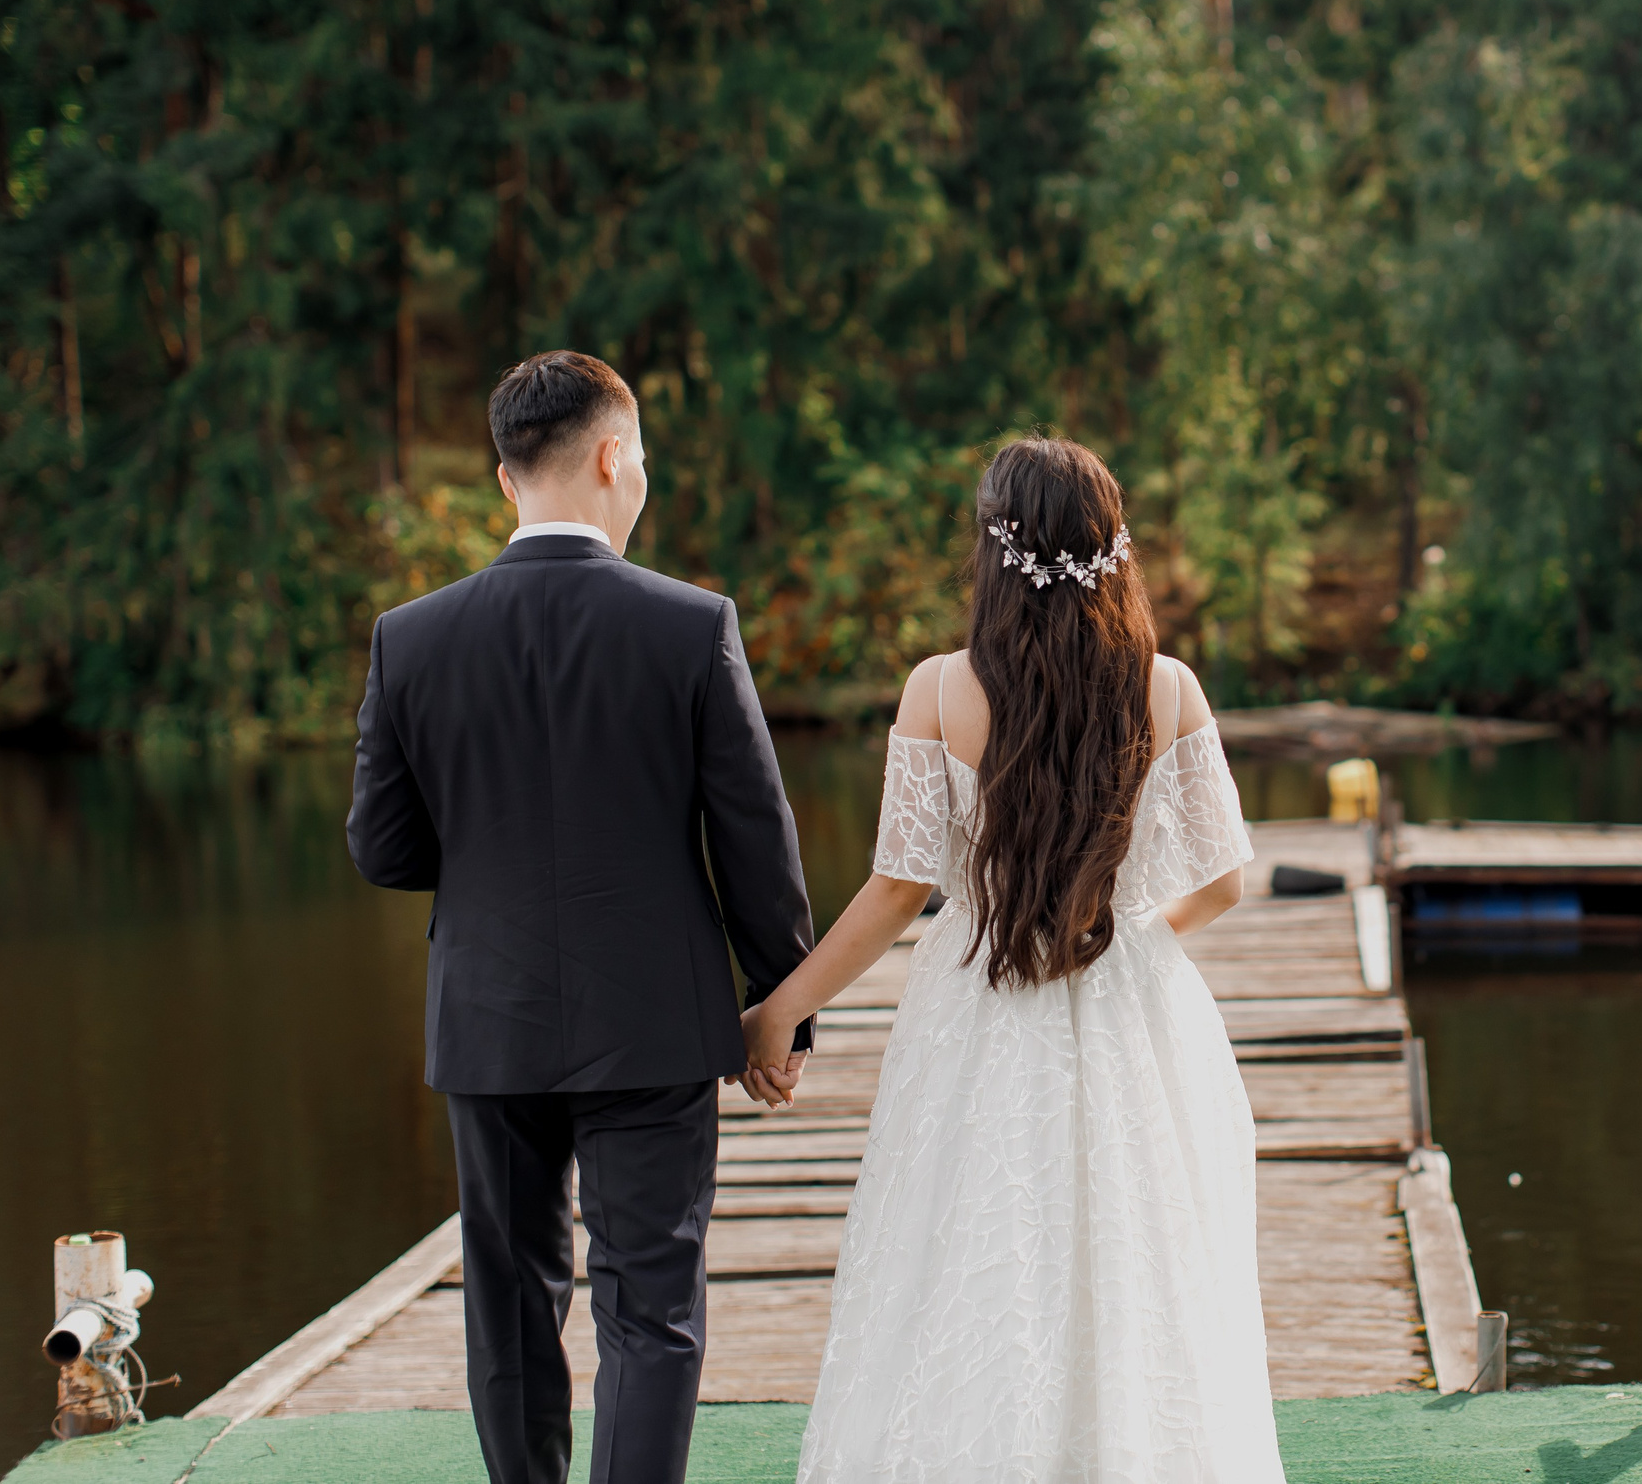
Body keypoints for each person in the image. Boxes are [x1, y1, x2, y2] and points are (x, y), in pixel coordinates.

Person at [743, 436, 1287, 1484]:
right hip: (1134, 1009)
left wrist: (778, 1009)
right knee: (1139, 1257)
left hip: (979, 1006)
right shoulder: (1168, 687)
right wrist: (1127, 943)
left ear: (995, 551)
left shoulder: (939, 689)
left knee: (971, 1252)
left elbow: (895, 892)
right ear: (1112, 546)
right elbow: (1224, 880)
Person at [346, 350, 815, 1484]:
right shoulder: (691, 624)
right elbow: (754, 841)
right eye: (641, 457)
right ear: (613, 458)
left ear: (507, 479)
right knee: (651, 1306)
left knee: (509, 1303)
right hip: (654, 1022)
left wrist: (494, 864)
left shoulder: (410, 636)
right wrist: (782, 1005)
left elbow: (383, 848)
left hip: (489, 1015)